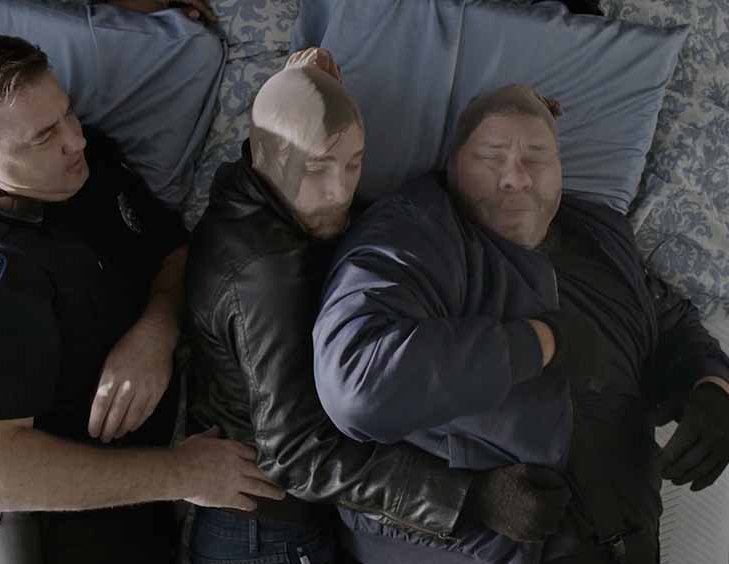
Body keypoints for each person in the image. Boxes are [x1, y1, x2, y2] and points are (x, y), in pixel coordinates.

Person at [0, 35, 285, 564]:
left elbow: (173, 251)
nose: (74, 139)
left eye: (67, 113)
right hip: (58, 540)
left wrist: (155, 330)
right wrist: (185, 473)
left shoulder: (82, 168)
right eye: (44, 136)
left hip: (141, 513)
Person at [313, 84, 729, 564]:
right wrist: (539, 342)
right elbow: (358, 383)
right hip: (476, 546)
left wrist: (712, 385)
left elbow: (669, 322)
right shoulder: (411, 235)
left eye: (536, 157)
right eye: (492, 157)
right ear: (453, 165)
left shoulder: (600, 235)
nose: (516, 177)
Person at [187, 55, 572, 564]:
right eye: (318, 167)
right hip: (265, 530)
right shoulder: (265, 273)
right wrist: (469, 499)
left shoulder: (255, 189)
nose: (340, 190)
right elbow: (296, 454)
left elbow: (288, 135)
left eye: (354, 164)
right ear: (267, 155)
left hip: (296, 520)